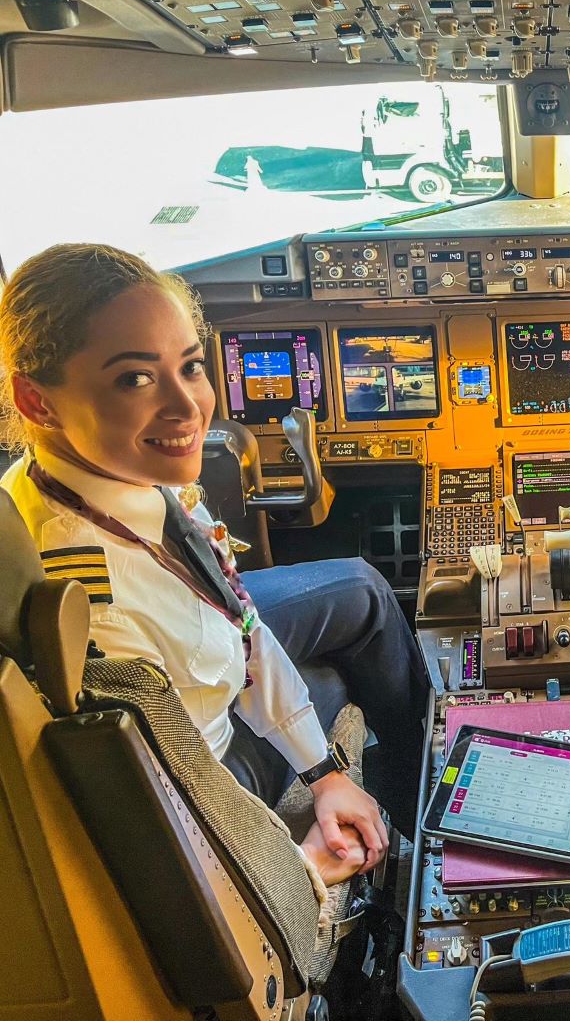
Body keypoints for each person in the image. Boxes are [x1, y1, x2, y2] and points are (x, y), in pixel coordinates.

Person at [0, 243, 428, 887]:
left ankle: (421, 754)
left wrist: (323, 769)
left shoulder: (111, 471)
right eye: (134, 378)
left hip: (203, 644)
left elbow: (236, 610)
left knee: (363, 591)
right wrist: (303, 865)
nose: (188, 408)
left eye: (191, 366)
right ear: (38, 403)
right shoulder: (93, 607)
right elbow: (164, 816)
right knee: (333, 682)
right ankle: (412, 804)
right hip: (206, 764)